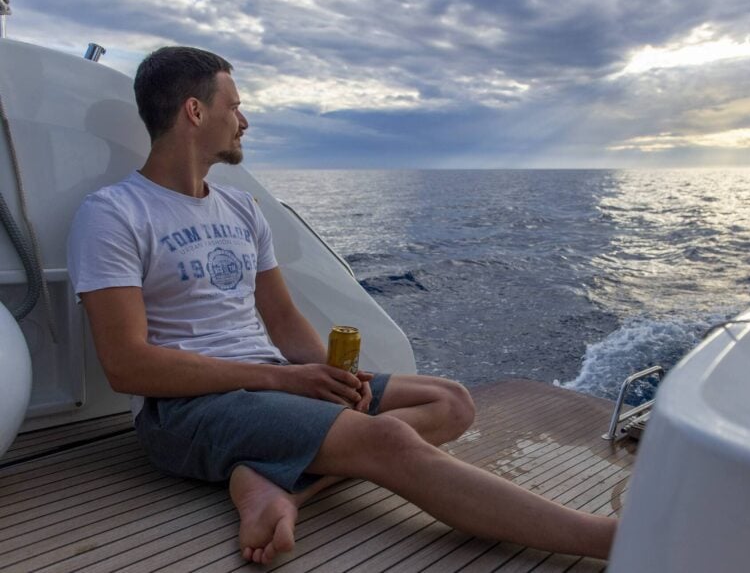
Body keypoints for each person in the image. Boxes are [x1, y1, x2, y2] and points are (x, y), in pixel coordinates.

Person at [67, 46, 617, 566]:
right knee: (389, 437)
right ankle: (608, 540)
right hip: (182, 412)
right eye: (234, 106)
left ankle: (269, 481)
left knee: (451, 401)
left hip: (268, 381)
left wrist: (335, 376)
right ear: (194, 110)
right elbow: (127, 365)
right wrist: (285, 382)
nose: (244, 121)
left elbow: (283, 322)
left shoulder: (240, 208)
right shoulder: (115, 214)